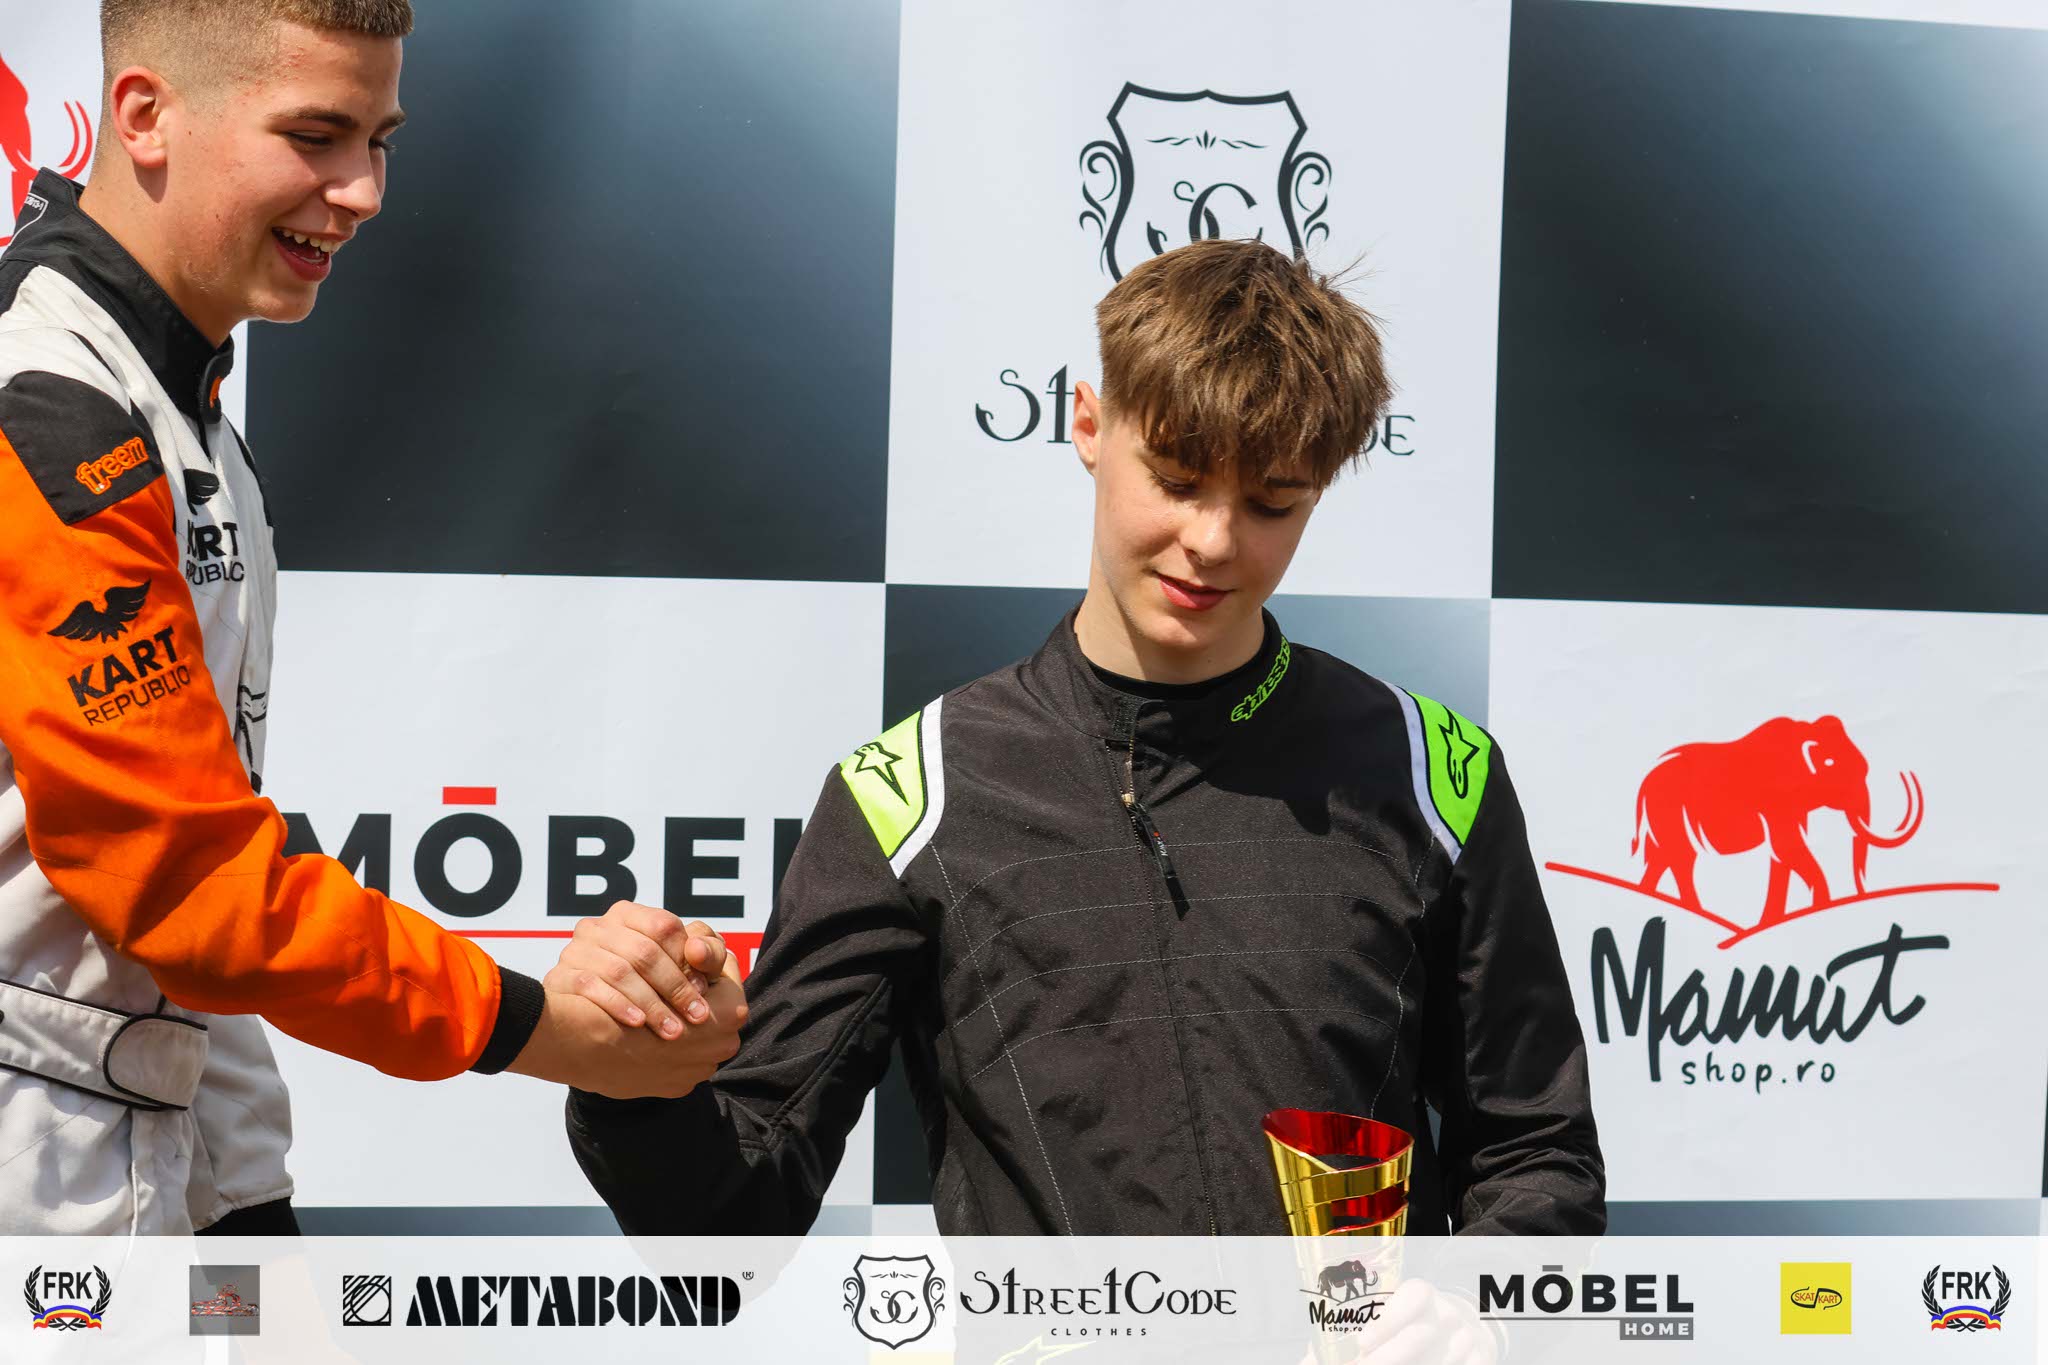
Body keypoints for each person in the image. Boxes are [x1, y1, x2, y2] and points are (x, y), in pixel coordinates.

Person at [564, 237, 1605, 1235]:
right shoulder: (910, 793)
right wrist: (629, 1077)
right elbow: (732, 1220)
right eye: (1178, 479)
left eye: (1270, 502)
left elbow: (1536, 1155)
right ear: (1088, 423)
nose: (1212, 540)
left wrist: (1471, 1307)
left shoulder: (1431, 770)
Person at [0, 0, 739, 1238]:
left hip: (115, 1168)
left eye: (378, 141)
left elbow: (179, 947)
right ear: (145, 115)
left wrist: (249, 1225)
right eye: (315, 136)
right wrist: (539, 1029)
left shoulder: (170, 401)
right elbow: (183, 882)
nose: (362, 192)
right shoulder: (48, 404)